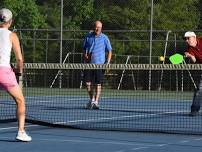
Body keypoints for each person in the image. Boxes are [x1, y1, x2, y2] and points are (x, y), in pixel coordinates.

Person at [0, 8, 32, 141]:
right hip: (4, 72)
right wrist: (19, 71)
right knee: (20, 101)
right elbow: (19, 59)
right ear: (10, 21)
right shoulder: (12, 35)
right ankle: (21, 132)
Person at [83, 20, 112, 109]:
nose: (97, 29)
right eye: (96, 27)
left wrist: (108, 62)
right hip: (89, 65)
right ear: (94, 27)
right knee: (88, 83)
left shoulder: (105, 38)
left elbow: (110, 50)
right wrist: (85, 55)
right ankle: (92, 100)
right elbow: (84, 49)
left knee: (98, 84)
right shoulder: (88, 37)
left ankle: (96, 102)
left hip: (100, 65)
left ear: (101, 28)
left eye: (99, 27)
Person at [184, 31, 202, 116]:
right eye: (185, 39)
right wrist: (190, 56)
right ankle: (194, 110)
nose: (186, 40)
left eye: (188, 38)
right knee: (199, 90)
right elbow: (194, 60)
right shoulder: (189, 49)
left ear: (194, 37)